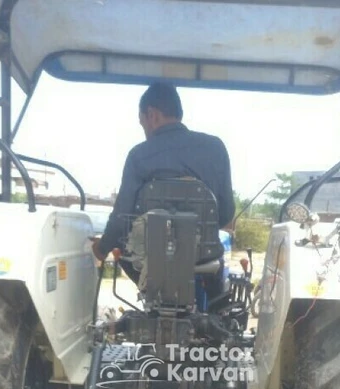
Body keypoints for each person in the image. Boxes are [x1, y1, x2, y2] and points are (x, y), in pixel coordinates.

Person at [92, 82, 235, 266]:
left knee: (128, 257)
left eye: (142, 123)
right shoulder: (216, 147)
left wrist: (102, 248)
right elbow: (225, 213)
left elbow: (122, 216)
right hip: (204, 259)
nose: (144, 130)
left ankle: (146, 294)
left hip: (152, 260)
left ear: (152, 115)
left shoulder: (138, 155)